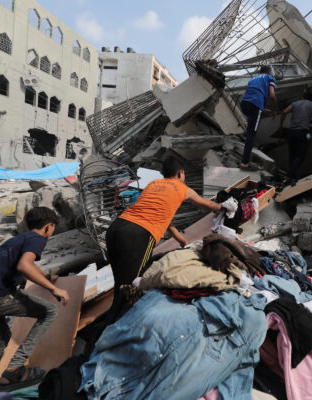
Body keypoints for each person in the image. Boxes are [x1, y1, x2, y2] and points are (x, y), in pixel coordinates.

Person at [0, 207, 69, 399]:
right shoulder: (37, 239)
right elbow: (25, 265)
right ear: (48, 227)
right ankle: (15, 368)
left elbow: (25, 265)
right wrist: (54, 289)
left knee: (0, 338)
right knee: (49, 310)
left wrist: (45, 277)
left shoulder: (17, 239)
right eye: (52, 228)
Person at [104, 156, 226, 321]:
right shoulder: (183, 189)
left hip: (117, 227)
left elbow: (162, 214)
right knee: (131, 284)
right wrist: (224, 207)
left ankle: (114, 316)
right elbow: (206, 204)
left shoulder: (153, 184)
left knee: (120, 281)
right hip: (138, 234)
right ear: (180, 173)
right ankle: (111, 329)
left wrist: (180, 240)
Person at [239, 65, 277, 170]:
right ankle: (244, 164)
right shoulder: (270, 78)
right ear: (269, 71)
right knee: (252, 133)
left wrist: (264, 110)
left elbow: (252, 97)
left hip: (245, 104)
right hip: (255, 105)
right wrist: (274, 110)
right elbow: (272, 96)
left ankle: (244, 155)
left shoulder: (253, 79)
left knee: (250, 129)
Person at [278, 89, 312, 182]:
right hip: (302, 132)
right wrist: (308, 121)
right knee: (301, 156)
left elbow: (284, 112)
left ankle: (291, 175)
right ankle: (290, 175)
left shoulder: (295, 103)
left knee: (292, 155)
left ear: (303, 96)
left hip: (291, 132)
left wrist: (281, 125)